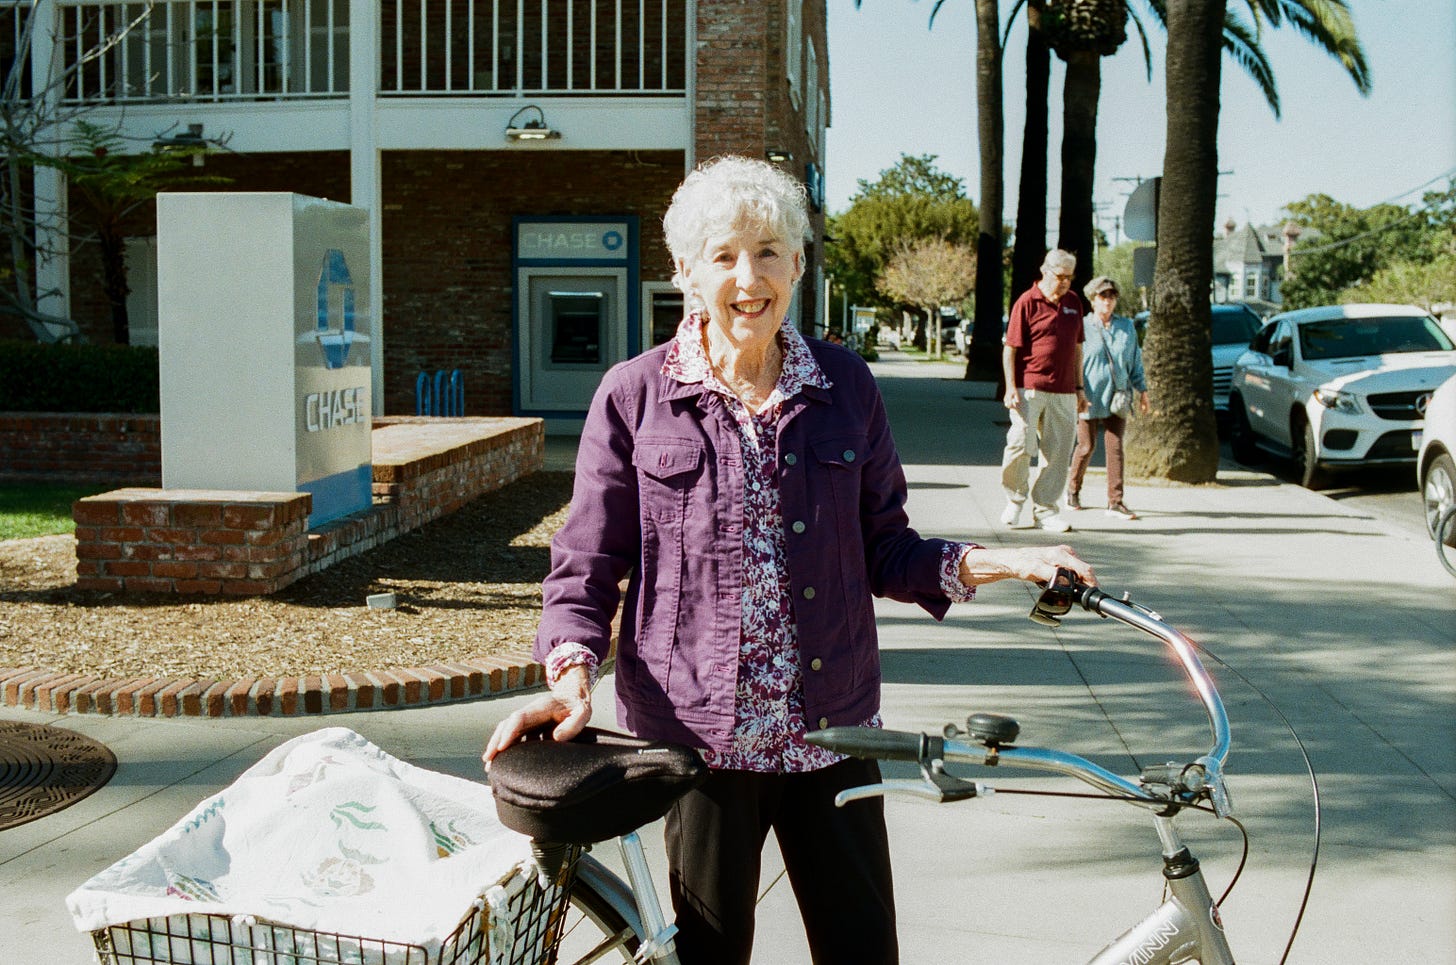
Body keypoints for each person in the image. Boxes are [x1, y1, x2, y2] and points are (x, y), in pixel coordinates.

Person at [483, 156, 1096, 965]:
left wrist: (1007, 563)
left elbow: (888, 546)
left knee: (863, 952)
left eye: (770, 251)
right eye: (725, 255)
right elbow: (586, 562)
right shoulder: (633, 396)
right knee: (710, 957)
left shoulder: (843, 385)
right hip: (698, 743)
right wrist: (568, 680)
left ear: (799, 265)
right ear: (687, 273)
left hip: (833, 732)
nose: (749, 276)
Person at [1000, 249, 1086, 533]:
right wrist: (1011, 387)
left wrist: (1080, 388)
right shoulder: (1026, 302)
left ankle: (1046, 510)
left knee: (1058, 453)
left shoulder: (1074, 303)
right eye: (1060, 276)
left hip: (1064, 391)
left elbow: (1077, 350)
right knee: (1019, 444)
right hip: (1029, 387)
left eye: (1069, 278)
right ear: (1045, 271)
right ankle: (1015, 499)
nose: (1064, 283)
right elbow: (1010, 349)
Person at [1068, 277, 1149, 520]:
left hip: (1118, 397)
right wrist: (1075, 390)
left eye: (1112, 296)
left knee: (1115, 448)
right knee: (1086, 445)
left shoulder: (1126, 327)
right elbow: (1073, 360)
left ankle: (1116, 501)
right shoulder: (1081, 326)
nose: (1108, 301)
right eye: (1103, 296)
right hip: (1088, 395)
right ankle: (1072, 490)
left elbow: (1135, 360)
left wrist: (1142, 390)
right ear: (1092, 299)